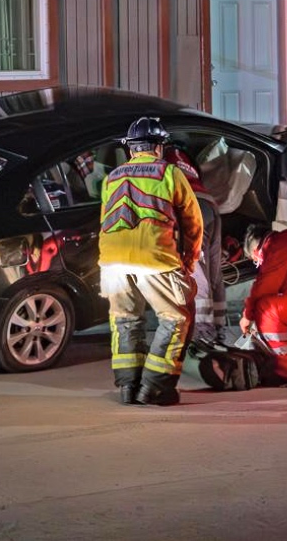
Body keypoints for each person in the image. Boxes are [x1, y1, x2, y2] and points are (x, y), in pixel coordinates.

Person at [98, 116, 204, 407]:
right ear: (159, 147)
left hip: (111, 262)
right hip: (155, 259)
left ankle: (128, 388)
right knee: (175, 318)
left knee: (125, 320)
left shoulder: (112, 176)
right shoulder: (169, 173)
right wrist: (189, 260)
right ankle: (155, 388)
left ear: (131, 149)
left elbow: (105, 220)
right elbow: (193, 222)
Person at [164, 143, 224, 345]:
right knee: (213, 273)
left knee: (197, 270)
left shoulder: (160, 157)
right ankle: (218, 328)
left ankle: (203, 332)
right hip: (209, 204)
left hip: (191, 208)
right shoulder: (183, 154)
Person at [239, 224, 287, 385]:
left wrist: (248, 316)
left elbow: (265, 285)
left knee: (266, 308)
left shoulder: (279, 243)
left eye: (255, 260)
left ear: (257, 251)